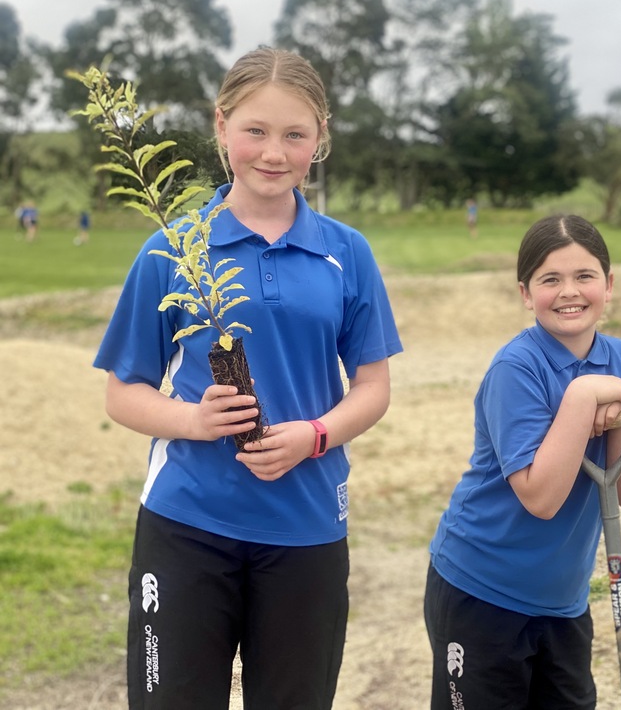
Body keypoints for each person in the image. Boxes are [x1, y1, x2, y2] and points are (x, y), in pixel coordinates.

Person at [93, 47, 403, 709]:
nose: (273, 152)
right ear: (221, 126)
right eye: (255, 131)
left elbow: (373, 388)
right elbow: (123, 392)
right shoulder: (173, 248)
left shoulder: (346, 253)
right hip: (187, 524)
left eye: (295, 134)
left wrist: (314, 437)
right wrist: (192, 421)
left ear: (320, 139)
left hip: (308, 527)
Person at [424, 214, 621, 709]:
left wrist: (619, 423)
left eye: (584, 276)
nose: (569, 292)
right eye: (550, 279)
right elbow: (541, 497)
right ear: (526, 294)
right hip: (481, 592)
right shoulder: (517, 367)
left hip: (564, 602)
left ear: (608, 285)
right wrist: (581, 398)